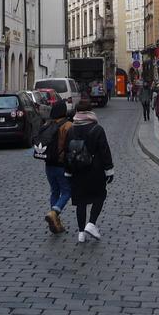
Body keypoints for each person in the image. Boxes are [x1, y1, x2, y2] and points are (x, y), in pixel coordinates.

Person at [65, 99, 113, 243]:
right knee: (100, 195)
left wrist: (67, 171)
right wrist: (109, 169)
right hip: (95, 170)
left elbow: (67, 152)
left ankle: (81, 233)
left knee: (81, 201)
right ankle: (91, 223)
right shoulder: (97, 129)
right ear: (90, 111)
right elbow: (104, 150)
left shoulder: (71, 129)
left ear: (77, 112)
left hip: (77, 171)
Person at [37, 100, 74, 233]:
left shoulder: (47, 124)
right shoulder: (68, 125)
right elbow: (71, 147)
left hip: (48, 164)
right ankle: (54, 213)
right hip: (61, 164)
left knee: (54, 191)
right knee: (67, 191)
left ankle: (55, 222)